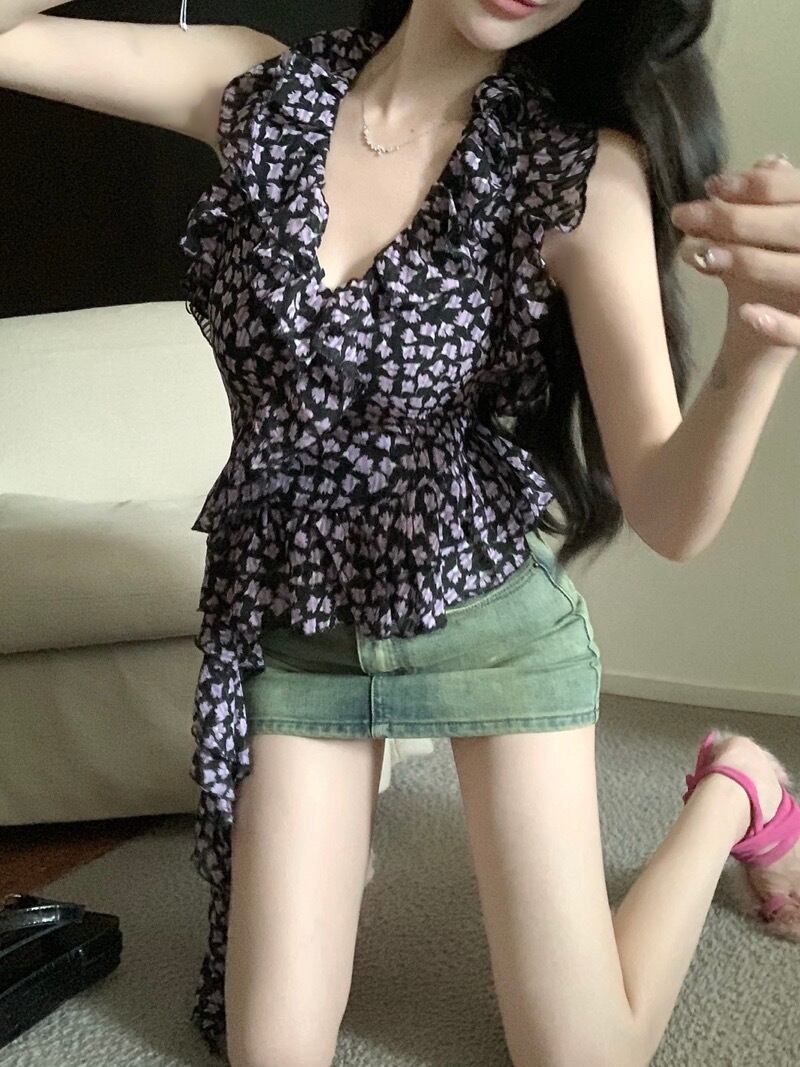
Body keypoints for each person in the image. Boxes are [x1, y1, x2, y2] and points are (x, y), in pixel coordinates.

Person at [3, 2, 799, 1065]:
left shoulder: (576, 171)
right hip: (300, 630)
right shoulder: (256, 89)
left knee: (581, 1055)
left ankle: (737, 787)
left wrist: (760, 342)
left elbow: (666, 512)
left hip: (489, 623)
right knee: (269, 1051)